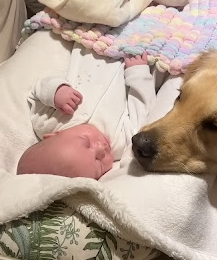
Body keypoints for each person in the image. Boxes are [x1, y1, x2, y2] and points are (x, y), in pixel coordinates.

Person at [17, 46, 155, 180]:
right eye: (99, 163)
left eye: (86, 142)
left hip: (94, 49)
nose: (102, 149)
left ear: (53, 135)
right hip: (132, 61)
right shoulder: (120, 144)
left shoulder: (48, 122)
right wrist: (138, 72)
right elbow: (143, 109)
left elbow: (36, 93)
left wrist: (56, 91)